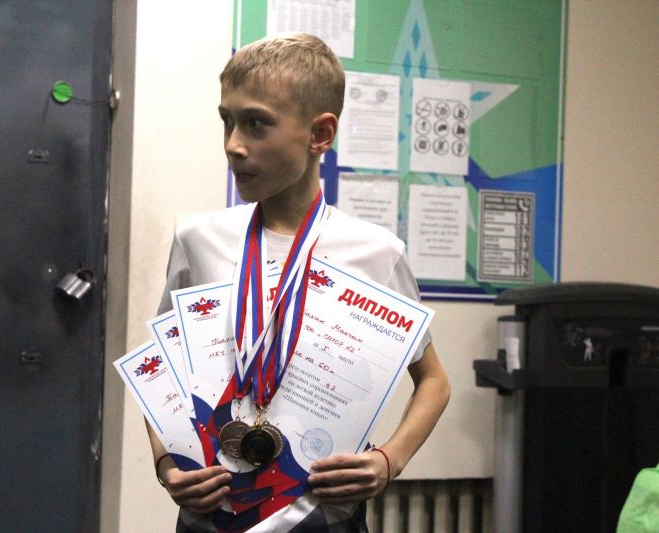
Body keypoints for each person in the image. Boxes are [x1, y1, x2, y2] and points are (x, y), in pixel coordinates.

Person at [146, 33, 450, 532]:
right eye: (227, 120)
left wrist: (389, 461)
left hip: (321, 516)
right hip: (213, 516)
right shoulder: (199, 240)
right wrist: (166, 464)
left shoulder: (376, 253)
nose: (233, 145)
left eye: (256, 123)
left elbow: (434, 381)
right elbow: (162, 371)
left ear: (320, 134)